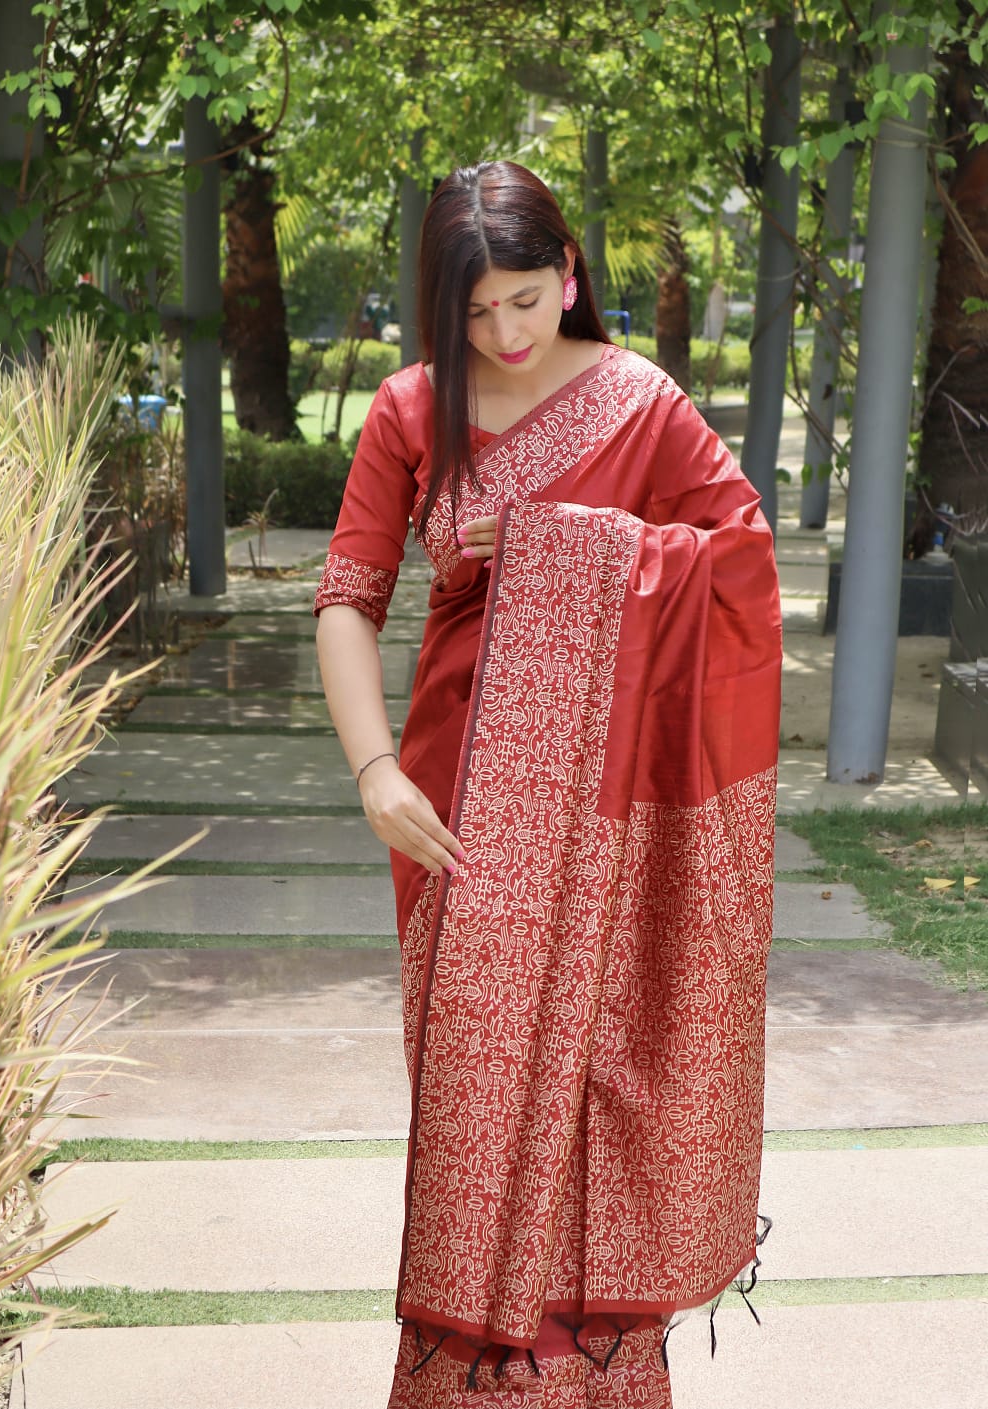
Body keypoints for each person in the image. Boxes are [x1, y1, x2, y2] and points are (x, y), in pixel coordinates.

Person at [314, 160, 782, 1409]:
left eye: (524, 299)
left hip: (617, 813)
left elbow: (741, 564)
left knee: (602, 1087)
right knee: (479, 1110)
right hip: (453, 813)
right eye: (474, 311)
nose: (504, 333)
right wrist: (372, 767)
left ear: (567, 275)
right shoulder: (411, 409)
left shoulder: (640, 402)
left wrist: (558, 544)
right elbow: (347, 597)